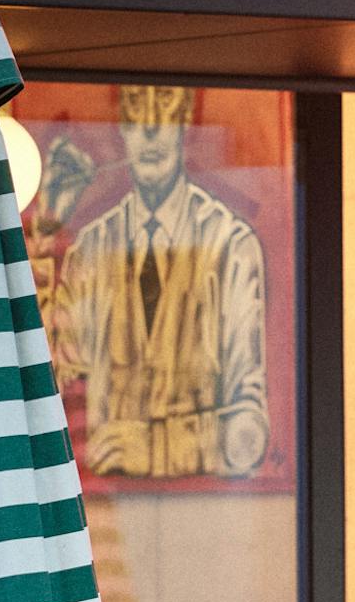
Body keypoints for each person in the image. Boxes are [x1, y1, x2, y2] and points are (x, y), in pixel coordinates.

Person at [54, 85, 269, 478]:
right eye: (136, 105)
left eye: (166, 102)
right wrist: (48, 226)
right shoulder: (89, 251)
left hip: (204, 515)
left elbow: (250, 431)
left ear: (186, 117)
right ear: (121, 123)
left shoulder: (230, 246)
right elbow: (45, 392)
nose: (150, 127)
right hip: (103, 518)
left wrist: (158, 447)